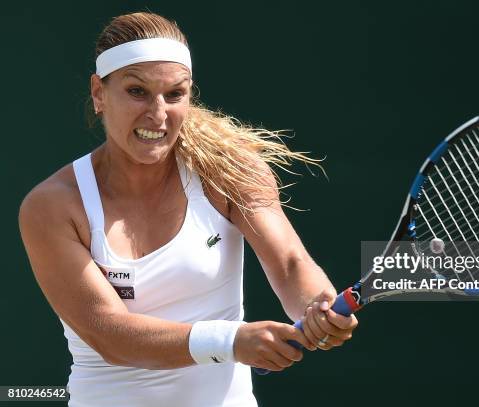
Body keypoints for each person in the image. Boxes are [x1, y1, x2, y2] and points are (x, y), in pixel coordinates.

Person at [18, 11, 358, 407]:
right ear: (98, 93)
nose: (158, 114)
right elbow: (109, 334)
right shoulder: (52, 206)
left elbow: (290, 264)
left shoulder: (230, 171)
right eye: (137, 91)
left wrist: (316, 305)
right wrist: (229, 341)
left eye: (174, 94)